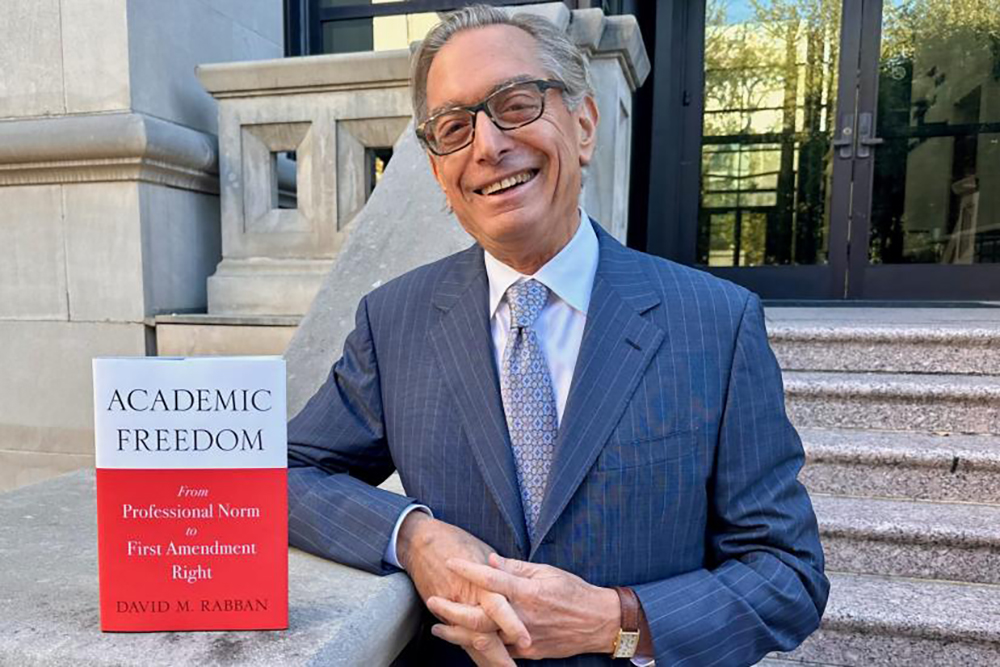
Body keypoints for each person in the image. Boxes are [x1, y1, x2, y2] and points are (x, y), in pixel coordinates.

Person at [287, 6, 828, 666]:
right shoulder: (393, 318)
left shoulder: (715, 322)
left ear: (584, 126)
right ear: (438, 171)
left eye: (515, 104)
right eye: (454, 128)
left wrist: (617, 620)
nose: (487, 145)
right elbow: (284, 472)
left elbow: (788, 575)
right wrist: (409, 534)